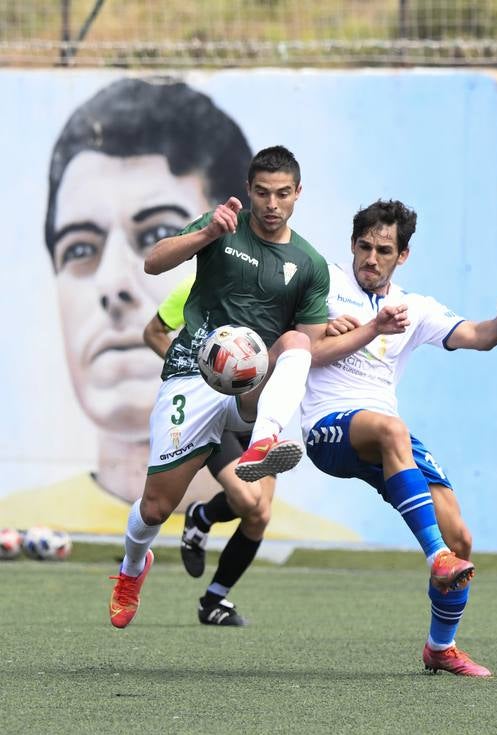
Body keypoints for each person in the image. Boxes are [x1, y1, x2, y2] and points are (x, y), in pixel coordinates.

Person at [108, 146, 474, 630]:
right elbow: (154, 264)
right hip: (194, 378)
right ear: (249, 191)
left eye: (282, 193)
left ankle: (266, 439)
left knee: (297, 342)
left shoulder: (308, 264)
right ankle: (133, 567)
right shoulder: (221, 227)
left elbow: (312, 344)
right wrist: (206, 233)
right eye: (262, 192)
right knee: (155, 507)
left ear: (298, 193)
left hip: (252, 387)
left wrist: (349, 330)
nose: (271, 203)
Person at [301, 199, 497, 677]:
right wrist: (323, 325)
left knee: (461, 538)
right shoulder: (322, 281)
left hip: (388, 437)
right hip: (328, 427)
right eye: (364, 246)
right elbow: (292, 335)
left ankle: (440, 647)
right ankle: (436, 558)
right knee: (394, 429)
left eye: (383, 250)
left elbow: (478, 334)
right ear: (351, 244)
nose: (371, 258)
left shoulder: (415, 307)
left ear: (402, 256)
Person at [12, 77, 254, 537]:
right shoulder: (25, 510)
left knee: (253, 504)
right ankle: (134, 563)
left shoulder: (255, 287)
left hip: (229, 419)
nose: (112, 286)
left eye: (151, 232)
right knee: (156, 509)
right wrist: (192, 367)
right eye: (80, 249)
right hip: (188, 401)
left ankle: (208, 543)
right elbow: (155, 332)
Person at [143, 276, 276, 626]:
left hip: (260, 413)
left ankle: (214, 599)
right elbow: (153, 332)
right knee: (248, 500)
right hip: (212, 411)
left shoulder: (283, 284)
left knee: (259, 514)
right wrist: (198, 373)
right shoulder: (201, 284)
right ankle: (201, 520)